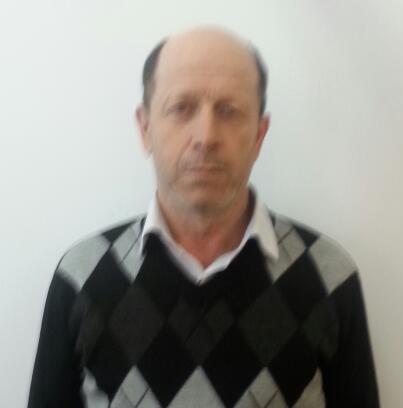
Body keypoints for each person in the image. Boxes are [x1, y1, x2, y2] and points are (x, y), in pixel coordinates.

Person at [28, 27, 379, 408]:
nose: (206, 135)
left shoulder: (327, 275)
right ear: (145, 128)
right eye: (181, 108)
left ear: (259, 135)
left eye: (229, 111)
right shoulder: (83, 275)